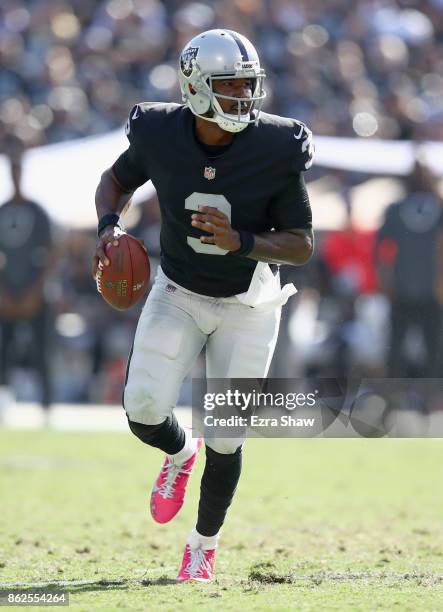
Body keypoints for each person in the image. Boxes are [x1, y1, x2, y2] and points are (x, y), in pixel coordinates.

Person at [92, 29, 314, 582]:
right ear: (195, 88)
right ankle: (179, 455)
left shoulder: (275, 144)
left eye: (248, 85)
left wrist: (241, 240)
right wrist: (108, 226)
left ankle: (202, 547)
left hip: (249, 302)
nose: (244, 96)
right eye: (230, 85)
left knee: (228, 432)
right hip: (181, 290)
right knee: (143, 407)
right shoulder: (160, 131)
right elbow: (113, 182)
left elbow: (302, 243)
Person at [376, 156, 443, 377]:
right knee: (432, 348)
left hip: (402, 286)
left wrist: (386, 281)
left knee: (397, 348)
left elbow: (379, 250)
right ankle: (432, 398)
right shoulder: (439, 209)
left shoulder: (395, 210)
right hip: (430, 289)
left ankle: (394, 397)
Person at [0, 143, 54, 410]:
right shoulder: (3, 210)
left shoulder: (37, 212)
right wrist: (4, 292)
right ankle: (3, 398)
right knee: (3, 348)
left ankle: (46, 404)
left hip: (35, 293)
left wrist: (35, 290)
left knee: (41, 348)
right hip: (7, 292)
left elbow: (51, 253)